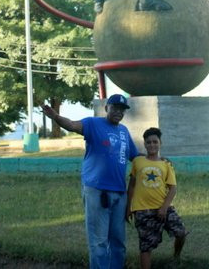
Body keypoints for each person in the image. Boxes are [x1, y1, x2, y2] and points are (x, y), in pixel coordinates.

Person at [42, 94, 139, 269]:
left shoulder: (124, 131)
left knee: (118, 242)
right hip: (97, 191)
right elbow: (71, 125)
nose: (119, 112)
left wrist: (157, 160)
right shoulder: (93, 124)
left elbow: (136, 157)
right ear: (106, 108)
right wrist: (55, 117)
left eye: (122, 109)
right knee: (99, 242)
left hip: (119, 193)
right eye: (115, 107)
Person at [126, 127, 188, 269]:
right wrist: (128, 207)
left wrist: (164, 208)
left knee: (181, 232)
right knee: (145, 246)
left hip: (164, 208)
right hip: (142, 210)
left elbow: (172, 188)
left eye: (155, 142)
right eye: (148, 142)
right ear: (145, 144)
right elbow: (132, 186)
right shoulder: (138, 162)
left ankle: (176, 256)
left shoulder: (166, 164)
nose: (152, 145)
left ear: (161, 143)